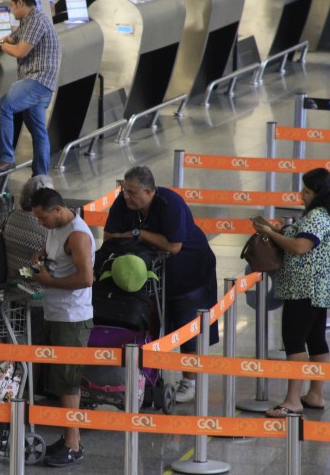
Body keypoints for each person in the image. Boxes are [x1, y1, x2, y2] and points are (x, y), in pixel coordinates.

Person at [103, 166, 218, 404]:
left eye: (132, 192)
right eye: (125, 191)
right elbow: (109, 238)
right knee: (151, 323)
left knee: (188, 328)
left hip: (190, 272)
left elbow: (173, 246)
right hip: (149, 274)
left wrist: (137, 234)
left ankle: (190, 381)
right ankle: (149, 374)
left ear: (148, 192)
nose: (126, 196)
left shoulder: (170, 203)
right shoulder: (122, 202)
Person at [253, 168, 330, 418]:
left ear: (319, 193)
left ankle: (292, 400)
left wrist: (270, 234)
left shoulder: (317, 215)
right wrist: (279, 230)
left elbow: (299, 247)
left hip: (305, 288)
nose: (301, 195)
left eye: (306, 191)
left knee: (294, 340)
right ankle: (315, 394)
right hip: (320, 288)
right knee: (316, 339)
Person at [29, 187, 94, 467]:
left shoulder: (78, 236)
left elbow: (86, 279)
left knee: (68, 383)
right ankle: (71, 437)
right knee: (60, 382)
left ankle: (73, 445)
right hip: (56, 313)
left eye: (43, 218)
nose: (41, 224)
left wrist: (48, 282)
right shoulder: (56, 226)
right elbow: (53, 247)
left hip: (72, 317)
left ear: (57, 210)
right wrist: (39, 254)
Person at [0, 0, 60, 176]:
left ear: (20, 3)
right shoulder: (28, 21)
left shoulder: (36, 20)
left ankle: (6, 158)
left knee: (3, 107)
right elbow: (12, 39)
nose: (11, 10)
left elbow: (19, 51)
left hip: (37, 81)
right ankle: (41, 177)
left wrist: (0, 45)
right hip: (42, 85)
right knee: (38, 133)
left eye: (11, 6)